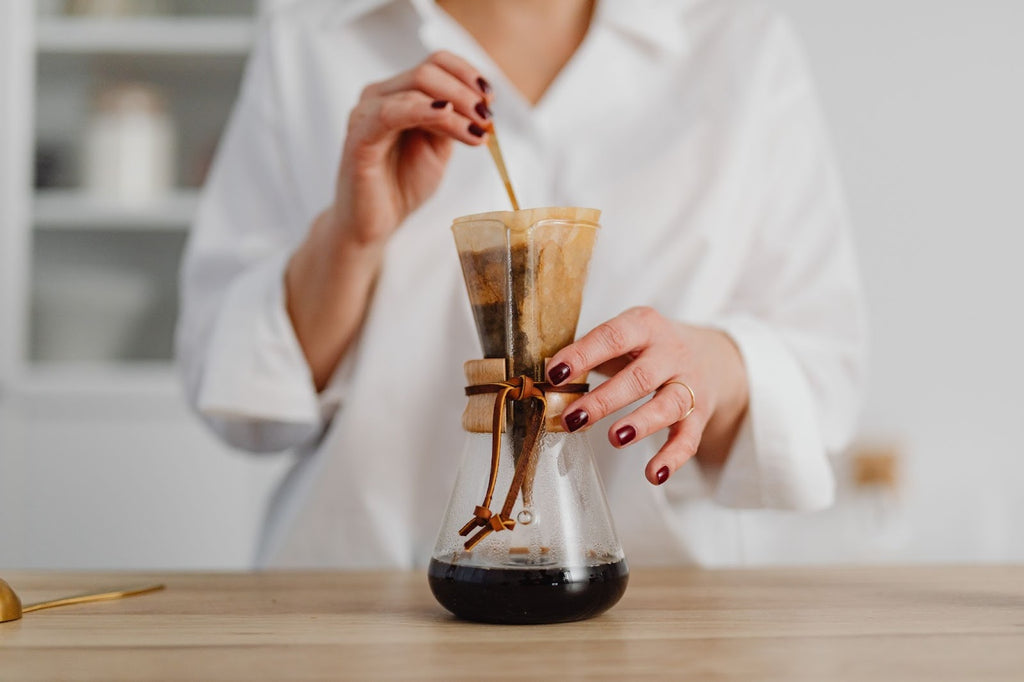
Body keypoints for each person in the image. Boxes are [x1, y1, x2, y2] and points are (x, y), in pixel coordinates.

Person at [176, 0, 866, 568]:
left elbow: (823, 380)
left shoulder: (741, 47)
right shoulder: (311, 38)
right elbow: (241, 399)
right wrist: (350, 240)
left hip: (663, 617)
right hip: (354, 598)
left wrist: (705, 366)